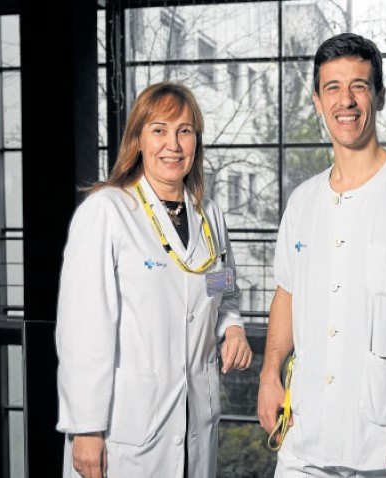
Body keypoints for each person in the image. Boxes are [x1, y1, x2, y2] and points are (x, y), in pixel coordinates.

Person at [55, 81, 253, 478]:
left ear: (196, 141)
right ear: (138, 140)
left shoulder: (210, 215)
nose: (173, 145)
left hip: (195, 419)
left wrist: (232, 328)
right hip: (126, 430)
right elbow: (82, 330)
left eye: (184, 131)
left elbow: (222, 289)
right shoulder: (108, 211)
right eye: (159, 130)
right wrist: (86, 428)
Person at [257, 32, 386, 478]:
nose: (346, 101)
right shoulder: (302, 201)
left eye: (359, 86)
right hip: (304, 438)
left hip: (385, 443)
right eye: (332, 88)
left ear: (379, 97)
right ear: (317, 101)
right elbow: (287, 293)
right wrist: (269, 374)